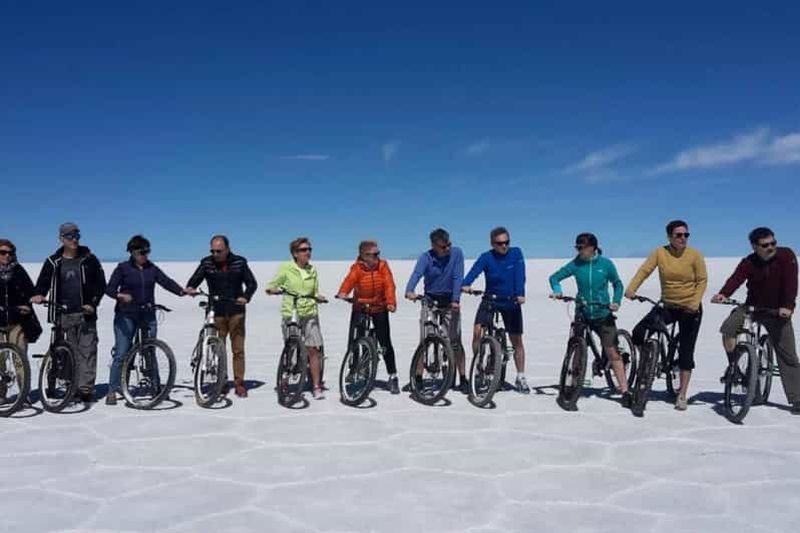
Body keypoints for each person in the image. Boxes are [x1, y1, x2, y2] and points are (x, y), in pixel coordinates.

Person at [711, 227, 800, 415]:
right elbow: (736, 279)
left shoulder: (786, 256)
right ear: (754, 247)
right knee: (729, 329)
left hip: (778, 311)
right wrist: (723, 294)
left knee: (788, 355)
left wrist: (788, 306)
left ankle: (797, 398)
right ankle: (735, 366)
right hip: (752, 307)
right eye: (765, 245)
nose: (771, 247)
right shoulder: (749, 262)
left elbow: (791, 283)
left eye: (773, 243)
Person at [625, 219, 707, 411]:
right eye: (678, 235)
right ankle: (650, 360)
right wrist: (631, 289)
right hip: (668, 305)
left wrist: (694, 303)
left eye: (686, 235)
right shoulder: (660, 253)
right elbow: (644, 271)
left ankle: (682, 394)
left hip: (690, 308)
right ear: (669, 236)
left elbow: (702, 281)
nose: (683, 238)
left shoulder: (695, 255)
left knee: (686, 351)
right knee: (639, 331)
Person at [104, 235, 190, 405]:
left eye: (147, 251)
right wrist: (120, 295)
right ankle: (112, 390)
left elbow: (166, 282)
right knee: (122, 352)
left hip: (147, 313)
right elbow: (109, 289)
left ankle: (156, 388)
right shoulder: (123, 268)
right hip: (126, 315)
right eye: (141, 252)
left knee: (150, 350)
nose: (144, 255)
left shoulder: (152, 269)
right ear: (132, 252)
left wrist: (182, 291)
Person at [549, 233, 630, 407]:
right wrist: (557, 290)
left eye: (581, 248)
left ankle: (624, 391)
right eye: (577, 248)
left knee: (612, 352)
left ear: (592, 247)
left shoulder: (605, 264)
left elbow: (618, 284)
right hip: (583, 311)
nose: (579, 251)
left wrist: (616, 301)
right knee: (577, 347)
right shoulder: (576, 264)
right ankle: (573, 386)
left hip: (603, 312)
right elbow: (554, 277)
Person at [31, 223, 106, 403]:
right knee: (67, 352)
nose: (74, 239)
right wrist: (39, 294)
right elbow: (43, 281)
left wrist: (92, 303)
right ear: (61, 238)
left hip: (85, 313)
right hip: (62, 313)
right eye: (70, 236)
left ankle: (85, 389)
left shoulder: (90, 259)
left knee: (87, 351)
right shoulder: (53, 261)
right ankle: (70, 385)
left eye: (77, 235)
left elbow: (100, 284)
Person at [185, 235, 257, 398]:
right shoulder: (206, 263)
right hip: (216, 311)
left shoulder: (240, 262)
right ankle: (222, 381)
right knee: (218, 348)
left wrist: (246, 296)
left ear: (227, 249)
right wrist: (190, 287)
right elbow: (195, 279)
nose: (215, 254)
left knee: (238, 350)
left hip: (236, 311)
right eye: (213, 251)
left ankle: (239, 383)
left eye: (219, 251)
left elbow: (252, 283)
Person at [462, 226, 529, 394]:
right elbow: (474, 272)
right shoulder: (486, 257)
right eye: (500, 243)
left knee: (517, 341)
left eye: (506, 242)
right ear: (493, 244)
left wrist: (520, 294)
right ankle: (479, 365)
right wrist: (466, 284)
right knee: (477, 332)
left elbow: (520, 275)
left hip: (511, 301)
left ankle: (520, 376)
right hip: (490, 299)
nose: (504, 246)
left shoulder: (516, 254)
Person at [405, 228, 468, 392]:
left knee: (455, 341)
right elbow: (417, 274)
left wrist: (455, 299)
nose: (447, 249)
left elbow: (457, 276)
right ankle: (418, 377)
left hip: (450, 301)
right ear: (433, 246)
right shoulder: (426, 258)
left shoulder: (457, 254)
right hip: (430, 300)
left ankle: (463, 377)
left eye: (448, 245)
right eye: (443, 247)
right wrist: (410, 290)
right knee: (425, 339)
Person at [266, 238, 328, 399]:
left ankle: (316, 385)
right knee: (291, 348)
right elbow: (273, 284)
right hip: (291, 312)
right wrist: (273, 289)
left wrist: (318, 297)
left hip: (309, 312)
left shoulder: (312, 270)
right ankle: (285, 379)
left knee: (313, 350)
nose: (307, 252)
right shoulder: (286, 268)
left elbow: (314, 290)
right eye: (303, 250)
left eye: (309, 249)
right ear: (295, 253)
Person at [336, 240, 400, 394]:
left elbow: (389, 285)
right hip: (361, 306)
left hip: (379, 307)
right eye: (374, 254)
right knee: (354, 340)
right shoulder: (357, 268)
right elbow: (349, 280)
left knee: (385, 343)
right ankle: (353, 367)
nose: (378, 257)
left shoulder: (383, 266)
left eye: (378, 253)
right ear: (363, 256)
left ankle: (393, 376)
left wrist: (390, 303)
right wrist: (343, 292)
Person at [0, 239, 42, 403]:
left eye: (9, 253)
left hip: (17, 321)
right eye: (2, 252)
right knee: (0, 361)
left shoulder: (18, 271)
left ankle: (23, 394)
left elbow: (30, 291)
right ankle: (1, 393)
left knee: (20, 359)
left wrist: (29, 302)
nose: (7, 256)